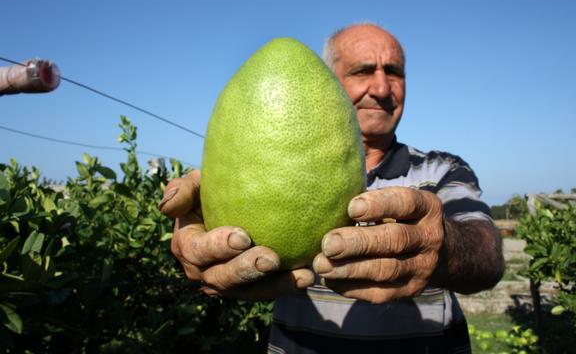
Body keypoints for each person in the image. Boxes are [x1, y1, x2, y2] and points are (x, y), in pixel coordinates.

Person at [160, 24, 504, 353]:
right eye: (362, 71)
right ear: (328, 81)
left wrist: (443, 246)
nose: (382, 89)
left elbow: (487, 255)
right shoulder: (258, 165)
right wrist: (206, 219)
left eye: (394, 72)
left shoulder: (440, 170)